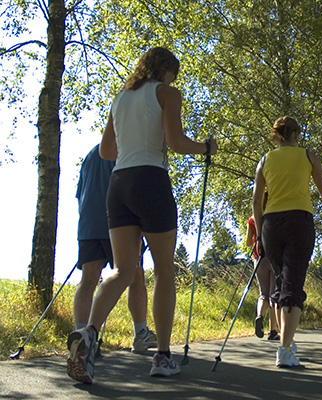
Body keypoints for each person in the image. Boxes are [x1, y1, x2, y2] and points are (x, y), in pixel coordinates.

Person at [66, 47, 218, 384]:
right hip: (150, 179)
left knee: (122, 270)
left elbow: (107, 151)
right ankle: (162, 356)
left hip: (119, 184)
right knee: (163, 270)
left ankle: (89, 333)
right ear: (165, 70)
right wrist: (206, 147)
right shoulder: (167, 93)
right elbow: (176, 144)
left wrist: (132, 148)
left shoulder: (120, 98)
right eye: (172, 74)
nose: (172, 79)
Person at [252, 116, 322, 368]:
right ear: (296, 134)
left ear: (276, 135)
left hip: (271, 224)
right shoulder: (308, 156)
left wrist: (258, 233)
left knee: (280, 283)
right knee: (293, 284)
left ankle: (286, 339)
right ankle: (285, 350)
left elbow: (256, 202)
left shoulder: (265, 160)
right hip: (299, 221)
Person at [74, 144, 156, 354]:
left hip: (89, 224)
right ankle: (140, 334)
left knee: (88, 279)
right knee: (135, 276)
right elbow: (132, 190)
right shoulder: (128, 149)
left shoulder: (91, 154)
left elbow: (79, 194)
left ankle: (81, 337)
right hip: (121, 224)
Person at [246, 214, 280, 341]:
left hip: (259, 259)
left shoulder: (252, 220)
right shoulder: (274, 215)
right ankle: (272, 331)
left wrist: (257, 239)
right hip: (274, 257)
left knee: (263, 294)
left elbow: (248, 243)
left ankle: (259, 315)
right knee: (273, 295)